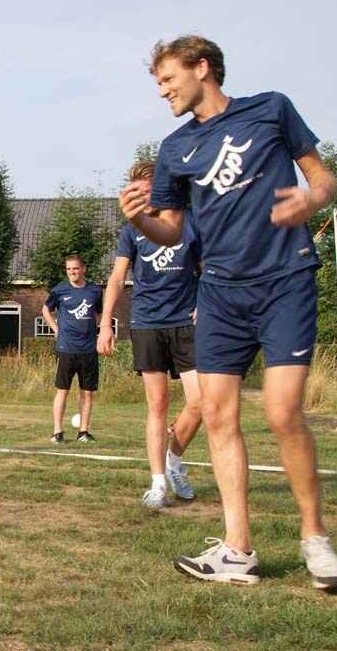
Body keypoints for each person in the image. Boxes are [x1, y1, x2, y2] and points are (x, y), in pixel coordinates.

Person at [120, 35, 337, 588]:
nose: (162, 91)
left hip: (286, 280)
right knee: (218, 415)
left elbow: (323, 178)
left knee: (282, 413)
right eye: (158, 84)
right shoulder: (175, 148)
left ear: (202, 68)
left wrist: (312, 199)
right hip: (219, 294)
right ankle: (237, 550)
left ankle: (315, 540)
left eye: (168, 79)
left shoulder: (271, 109)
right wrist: (139, 221)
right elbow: (172, 231)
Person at [99, 160, 204, 508]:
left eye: (146, 191)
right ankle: (158, 483)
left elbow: (209, 270)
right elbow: (117, 277)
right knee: (157, 403)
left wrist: (207, 301)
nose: (141, 198)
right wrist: (106, 323)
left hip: (186, 321)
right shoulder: (132, 229)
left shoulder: (190, 222)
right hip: (147, 322)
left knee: (201, 402)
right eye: (136, 192)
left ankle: (174, 459)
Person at [42, 254, 104, 443]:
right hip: (66, 349)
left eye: (75, 268)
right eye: (69, 269)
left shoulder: (94, 291)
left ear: (83, 269)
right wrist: (56, 330)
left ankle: (83, 432)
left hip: (88, 349)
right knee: (63, 390)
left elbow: (99, 313)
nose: (72, 272)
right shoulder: (59, 290)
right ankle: (57, 433)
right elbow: (46, 309)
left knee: (87, 392)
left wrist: (91, 329)